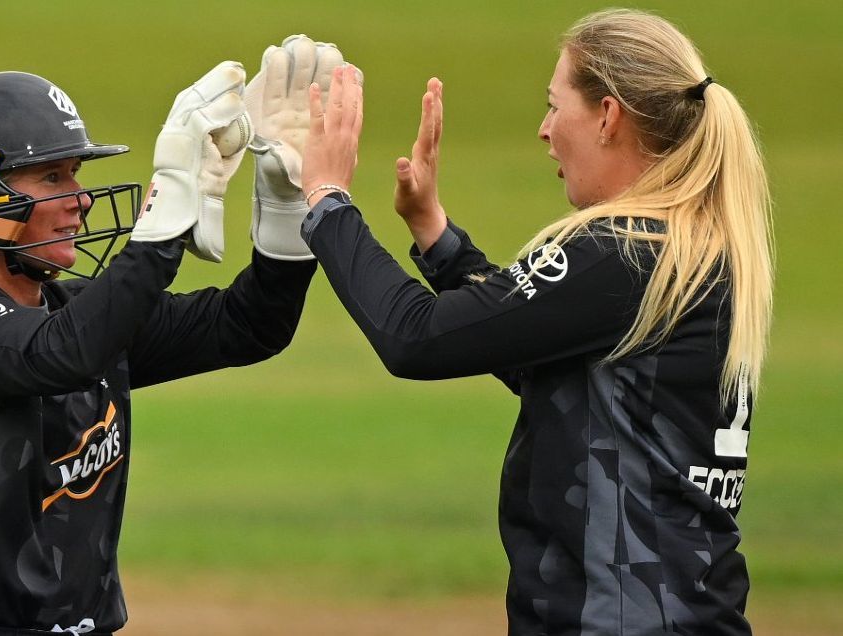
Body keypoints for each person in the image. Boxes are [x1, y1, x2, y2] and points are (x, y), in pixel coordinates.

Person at [300, 9, 772, 635]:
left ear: (607, 117)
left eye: (555, 106)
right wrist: (435, 235)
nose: (544, 130)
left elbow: (415, 338)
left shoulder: (622, 251)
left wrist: (327, 199)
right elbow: (536, 350)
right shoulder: (687, 248)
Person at [0, 35, 344, 635]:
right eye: (52, 178)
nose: (79, 199)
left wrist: (287, 208)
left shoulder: (79, 312)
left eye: (74, 174)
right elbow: (62, 354)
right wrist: (166, 211)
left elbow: (251, 327)